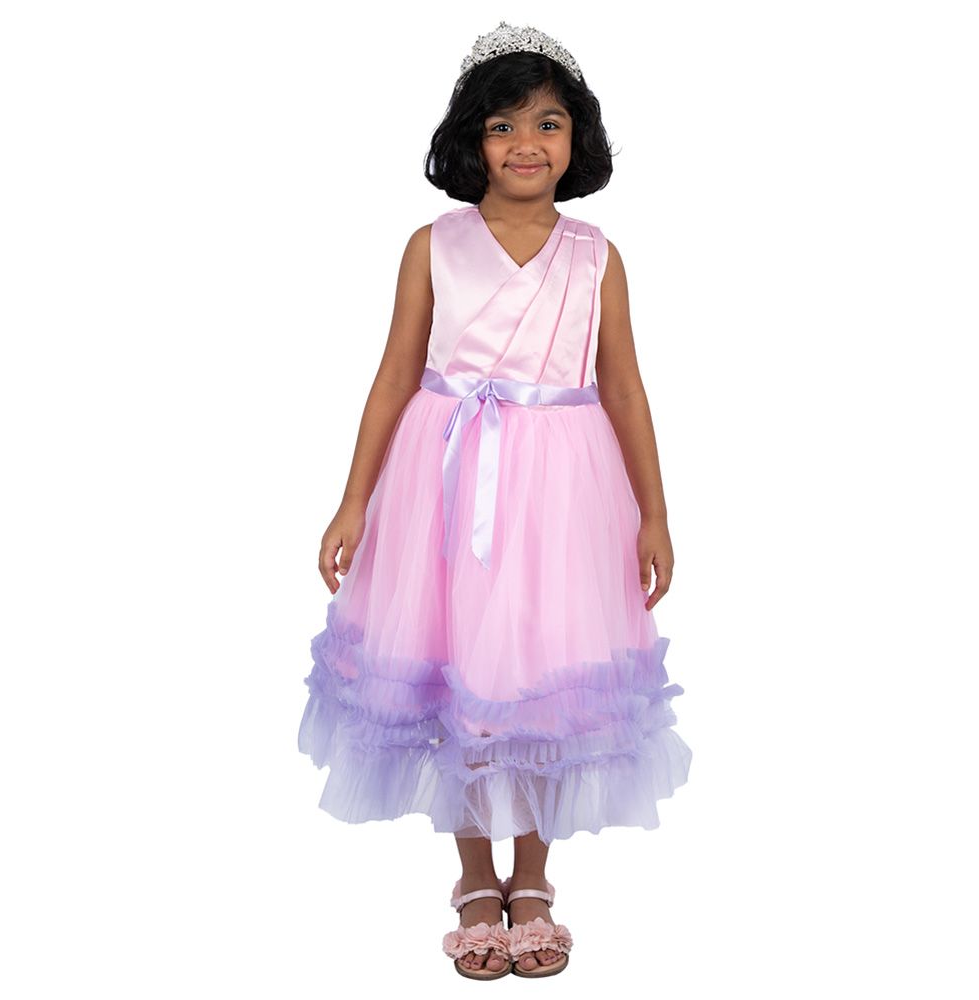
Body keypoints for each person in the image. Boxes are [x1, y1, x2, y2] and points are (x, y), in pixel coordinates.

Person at [297, 21, 692, 980]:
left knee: (545, 669)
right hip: (445, 478)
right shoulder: (433, 245)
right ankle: (477, 873)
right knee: (461, 670)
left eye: (548, 123)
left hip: (562, 490)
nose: (526, 143)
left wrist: (654, 511)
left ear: (576, 138)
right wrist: (353, 501)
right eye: (503, 124)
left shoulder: (596, 255)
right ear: (471, 138)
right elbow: (396, 375)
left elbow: (623, 385)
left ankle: (535, 876)